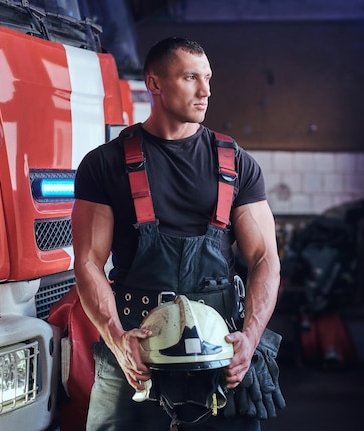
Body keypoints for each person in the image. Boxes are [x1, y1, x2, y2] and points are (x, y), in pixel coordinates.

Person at [72, 37, 281, 430]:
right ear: (154, 83)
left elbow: (265, 259)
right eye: (190, 78)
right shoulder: (105, 164)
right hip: (136, 353)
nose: (205, 91)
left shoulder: (237, 164)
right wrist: (117, 339)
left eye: (208, 79)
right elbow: (87, 261)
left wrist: (250, 339)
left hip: (220, 353)